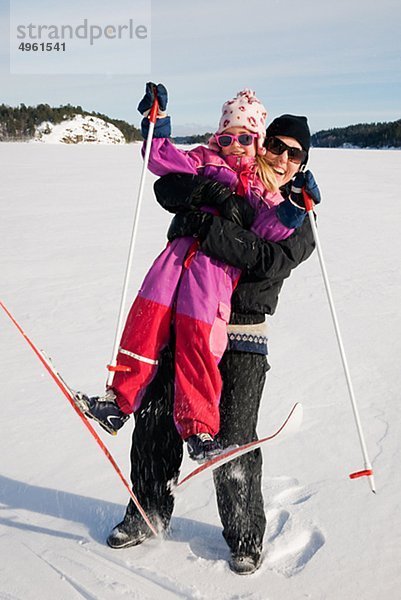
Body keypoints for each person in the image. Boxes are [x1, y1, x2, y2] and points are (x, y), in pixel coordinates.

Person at [97, 114, 320, 575]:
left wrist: (205, 228)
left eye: (293, 153)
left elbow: (265, 259)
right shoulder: (229, 173)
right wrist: (197, 198)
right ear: (261, 145)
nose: (281, 157)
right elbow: (168, 188)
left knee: (233, 438)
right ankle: (147, 513)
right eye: (275, 145)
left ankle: (244, 536)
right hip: (186, 315)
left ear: (302, 164)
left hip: (241, 334)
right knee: (156, 418)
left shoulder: (295, 212)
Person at [82, 85, 319, 463]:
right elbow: (163, 161)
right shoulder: (204, 161)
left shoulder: (265, 192)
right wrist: (156, 125)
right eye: (227, 137)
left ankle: (198, 427)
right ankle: (119, 401)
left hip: (214, 278)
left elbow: (269, 240)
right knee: (144, 324)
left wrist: (293, 209)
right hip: (173, 263)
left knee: (198, 341)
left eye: (245, 138)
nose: (236, 145)